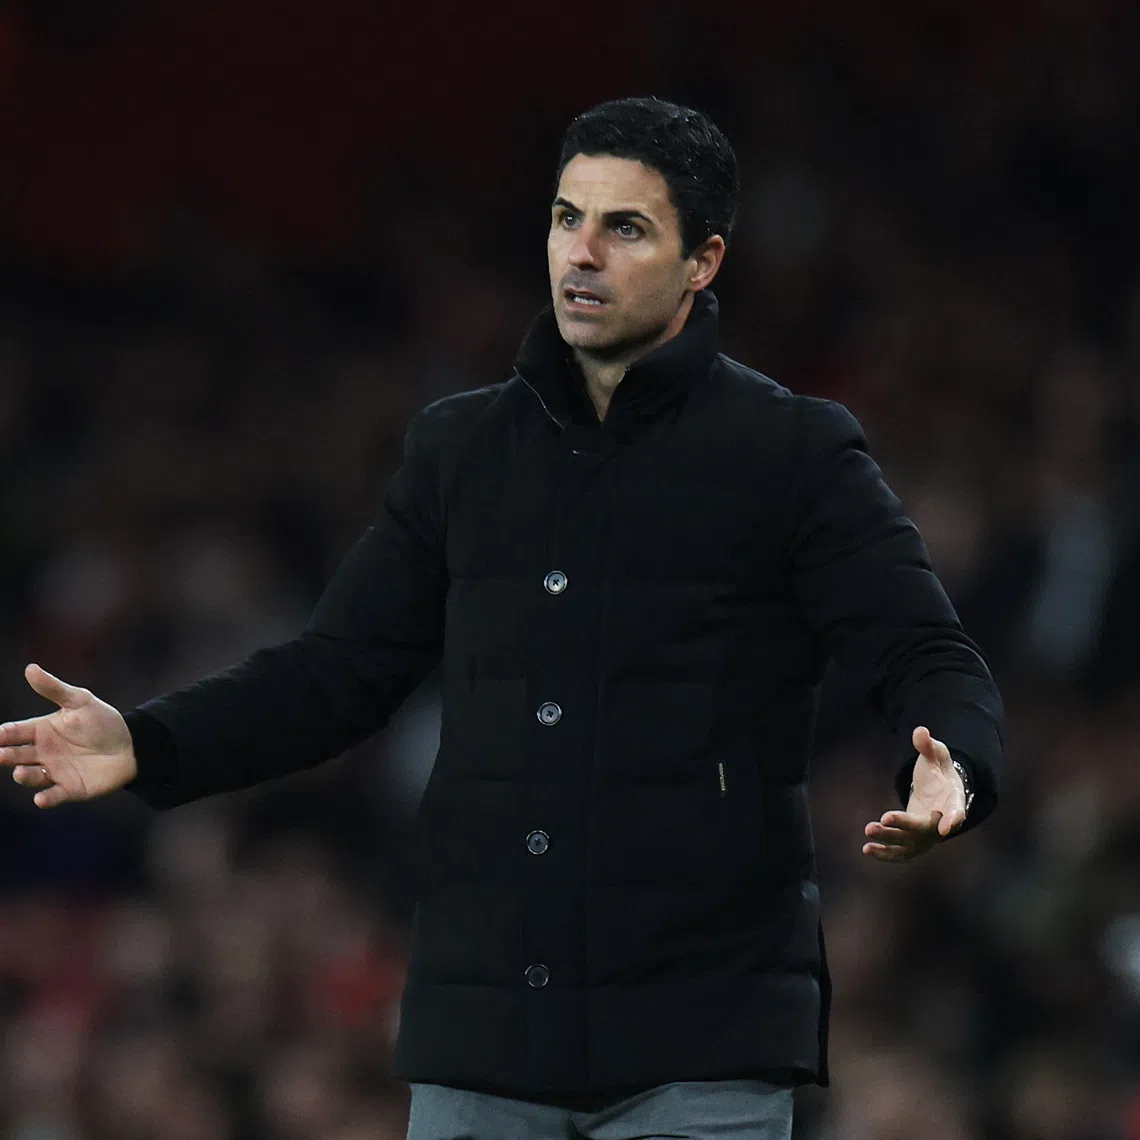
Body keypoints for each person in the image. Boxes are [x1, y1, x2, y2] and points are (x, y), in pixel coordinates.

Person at [0, 97, 1003, 1140]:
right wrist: (151, 741)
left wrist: (954, 767)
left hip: (702, 1037)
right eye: (568, 218)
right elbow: (338, 673)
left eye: (625, 228)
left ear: (703, 260)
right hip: (484, 1045)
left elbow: (922, 647)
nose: (582, 251)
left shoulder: (793, 452)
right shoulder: (461, 449)